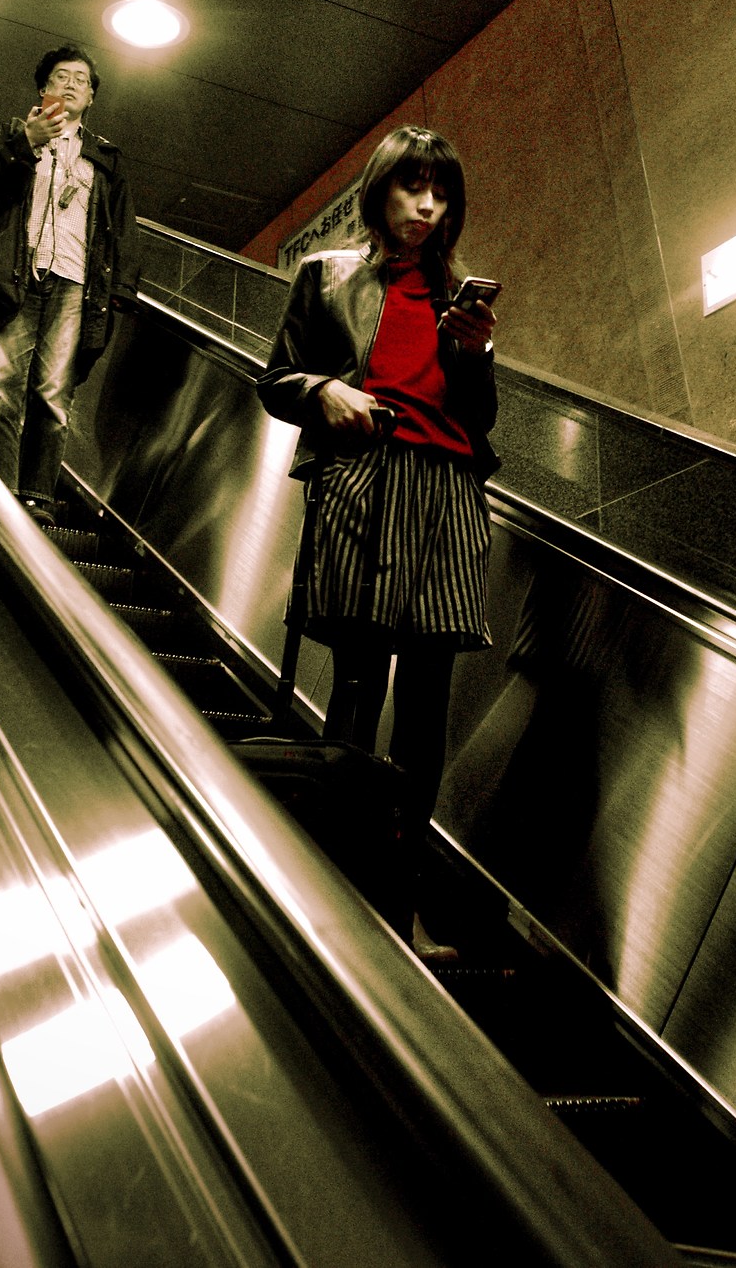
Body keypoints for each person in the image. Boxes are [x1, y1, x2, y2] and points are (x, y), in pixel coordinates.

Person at [256, 126, 499, 951]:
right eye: (411, 188)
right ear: (380, 191)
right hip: (364, 474)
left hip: (448, 490)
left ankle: (395, 895)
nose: (426, 206)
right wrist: (324, 389)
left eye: (440, 193)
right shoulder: (327, 276)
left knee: (427, 705)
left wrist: (481, 354)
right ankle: (338, 882)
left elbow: (478, 420)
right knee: (357, 684)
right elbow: (275, 377)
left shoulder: (461, 295)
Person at [0, 45, 133, 519]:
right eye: (62, 76)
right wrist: (26, 142)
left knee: (54, 394)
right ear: (44, 89)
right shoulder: (14, 135)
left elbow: (123, 228)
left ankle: (36, 495)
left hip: (75, 281)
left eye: (83, 79)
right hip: (13, 277)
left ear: (91, 97)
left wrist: (122, 291)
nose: (73, 83)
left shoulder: (106, 158)